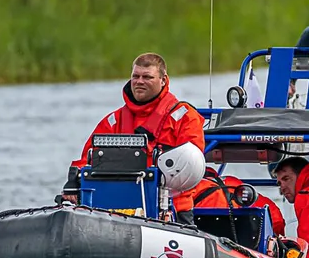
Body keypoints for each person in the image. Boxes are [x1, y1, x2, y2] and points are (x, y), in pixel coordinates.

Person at [63, 53, 206, 208]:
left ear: (163, 80)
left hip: (171, 206)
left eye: (147, 77)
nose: (139, 82)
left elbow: (191, 166)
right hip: (116, 204)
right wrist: (74, 180)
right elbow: (87, 159)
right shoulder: (114, 121)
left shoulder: (185, 118)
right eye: (135, 76)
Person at [180, 168, 286, 237]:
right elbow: (275, 217)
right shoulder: (234, 184)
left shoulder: (187, 188)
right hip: (244, 246)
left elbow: (177, 215)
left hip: (200, 240)